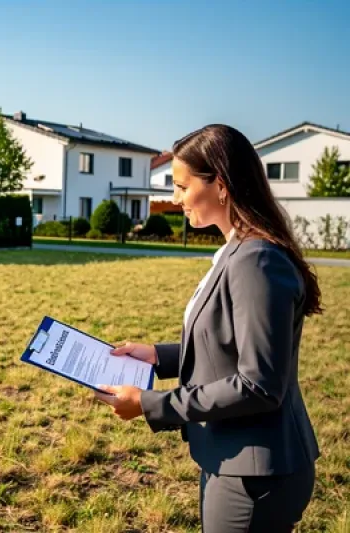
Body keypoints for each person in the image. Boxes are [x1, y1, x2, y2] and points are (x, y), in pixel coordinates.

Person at [93, 124, 321, 532]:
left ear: (220, 184)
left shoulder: (256, 260)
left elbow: (259, 384)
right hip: (236, 460)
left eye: (181, 186)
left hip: (254, 474)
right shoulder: (236, 248)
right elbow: (226, 344)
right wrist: (157, 355)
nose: (175, 198)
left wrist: (152, 404)